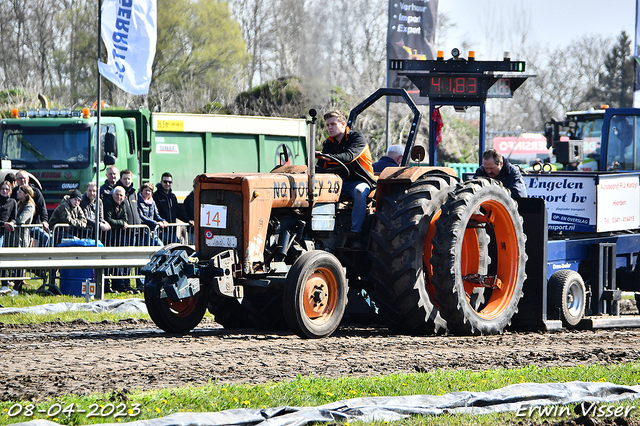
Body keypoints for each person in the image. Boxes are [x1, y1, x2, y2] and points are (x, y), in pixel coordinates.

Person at [317, 110, 376, 245]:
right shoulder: (329, 143)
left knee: (359, 191)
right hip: (340, 182)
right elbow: (321, 166)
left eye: (332, 124)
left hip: (361, 180)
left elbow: (349, 157)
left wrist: (325, 156)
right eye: (327, 125)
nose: (329, 128)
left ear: (343, 124)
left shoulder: (357, 138)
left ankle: (355, 231)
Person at [103, 186, 135, 293]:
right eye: (117, 194)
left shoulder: (123, 203)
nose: (119, 197)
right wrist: (121, 224)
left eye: (121, 195)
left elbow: (125, 218)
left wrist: (120, 223)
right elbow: (108, 219)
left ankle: (118, 285)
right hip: (107, 237)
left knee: (118, 261)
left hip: (117, 237)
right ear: (113, 194)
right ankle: (106, 285)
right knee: (107, 263)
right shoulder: (108, 202)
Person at [12, 170, 50, 247]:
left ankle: (40, 256)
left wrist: (44, 221)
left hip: (33, 225)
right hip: (18, 227)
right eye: (20, 178)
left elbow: (42, 208)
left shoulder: (36, 192)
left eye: (24, 178)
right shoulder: (14, 192)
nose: (22, 180)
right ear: (16, 181)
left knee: (45, 237)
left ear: (28, 179)